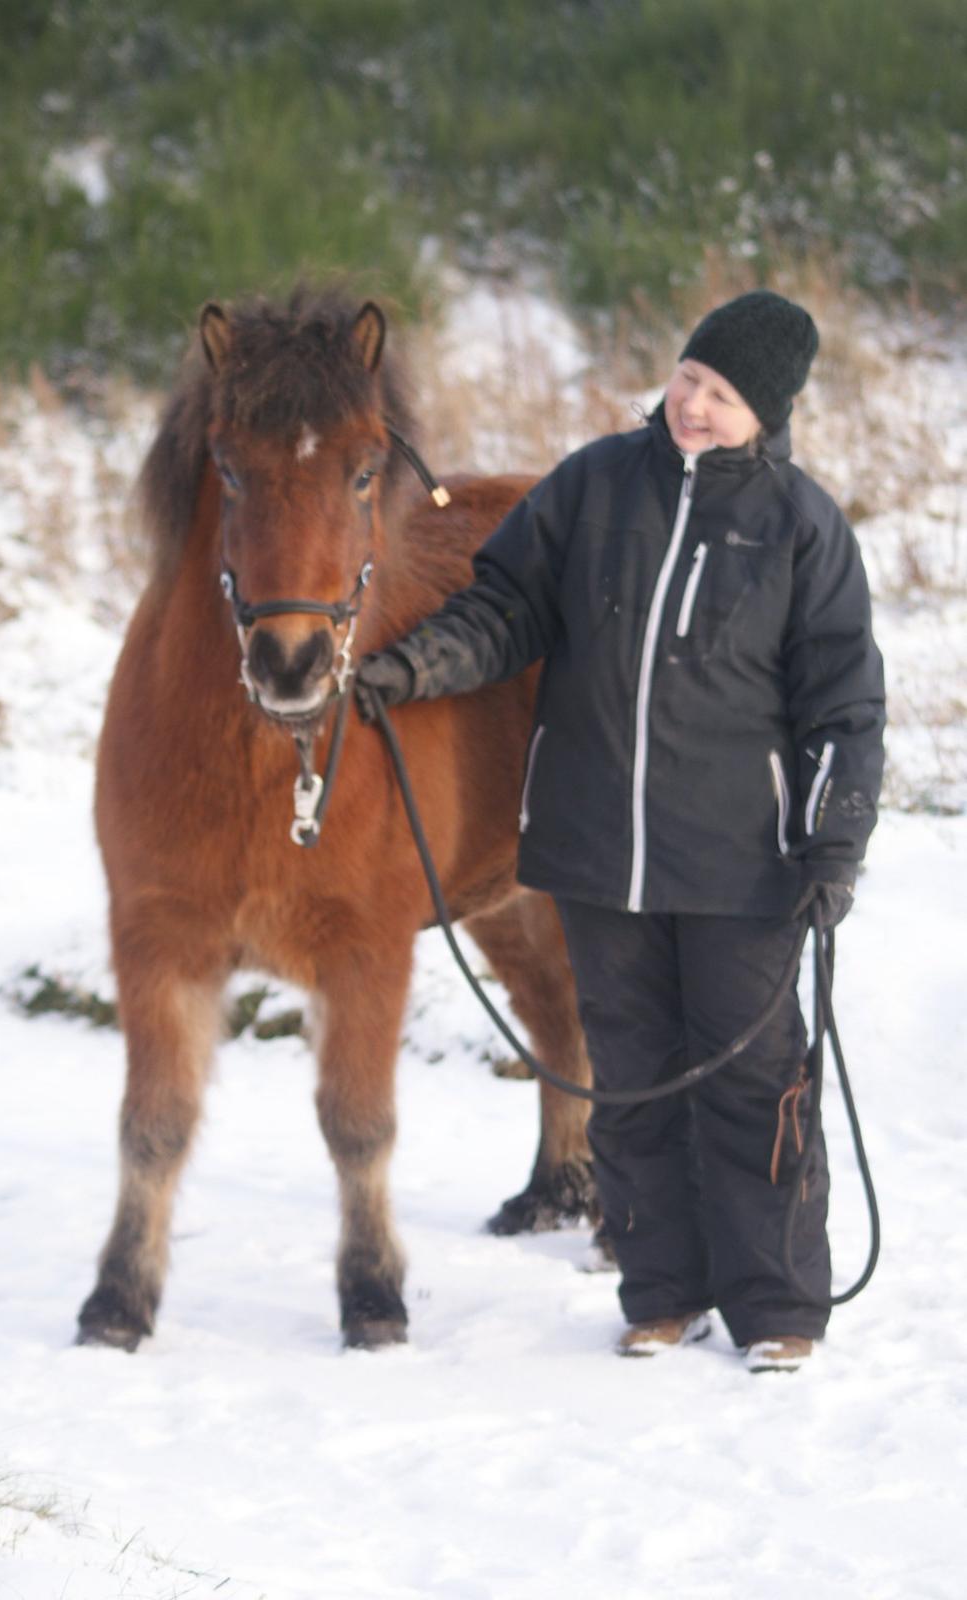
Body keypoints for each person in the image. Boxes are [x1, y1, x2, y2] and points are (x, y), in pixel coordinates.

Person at [355, 289, 886, 1373]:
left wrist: (832, 842)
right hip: (596, 850)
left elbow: (843, 702)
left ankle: (778, 1306)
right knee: (627, 1084)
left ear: (767, 413)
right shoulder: (592, 485)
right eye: (690, 378)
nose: (693, 405)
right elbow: (502, 608)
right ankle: (661, 1292)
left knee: (752, 1085)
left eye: (723, 396)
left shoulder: (798, 525)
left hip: (742, 863)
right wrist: (416, 666)